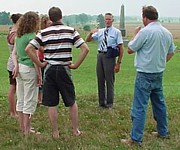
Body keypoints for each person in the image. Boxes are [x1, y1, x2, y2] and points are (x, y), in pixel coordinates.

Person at [25, 7, 89, 139]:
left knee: (52, 103)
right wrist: (75, 65)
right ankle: (75, 130)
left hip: (50, 69)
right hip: (65, 68)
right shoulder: (70, 31)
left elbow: (29, 49)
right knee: (71, 101)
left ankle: (55, 132)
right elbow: (85, 49)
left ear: (50, 18)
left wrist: (40, 63)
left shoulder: (43, 32)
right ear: (61, 16)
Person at [121, 5, 176, 146]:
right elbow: (171, 52)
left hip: (144, 74)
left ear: (145, 18)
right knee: (159, 104)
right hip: (158, 73)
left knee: (139, 106)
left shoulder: (144, 32)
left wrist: (135, 34)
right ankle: (163, 132)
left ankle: (135, 138)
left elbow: (130, 49)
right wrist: (161, 62)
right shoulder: (167, 33)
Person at [12, 11, 42, 135]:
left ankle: (22, 126)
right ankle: (27, 129)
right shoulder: (32, 37)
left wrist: (16, 66)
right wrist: (39, 73)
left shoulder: (18, 36)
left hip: (20, 68)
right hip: (29, 68)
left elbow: (14, 53)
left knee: (21, 98)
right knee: (29, 99)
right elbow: (35, 57)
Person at [86, 13, 124, 109]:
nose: (107, 21)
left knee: (109, 80)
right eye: (106, 19)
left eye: (109, 19)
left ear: (112, 20)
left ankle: (110, 103)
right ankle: (101, 102)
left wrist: (118, 63)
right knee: (100, 79)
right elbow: (88, 40)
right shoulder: (100, 31)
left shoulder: (116, 32)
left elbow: (121, 48)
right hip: (100, 55)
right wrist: (91, 32)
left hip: (109, 56)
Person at [6, 13, 22, 117]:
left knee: (14, 88)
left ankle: (14, 110)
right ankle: (13, 112)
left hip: (11, 63)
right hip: (14, 65)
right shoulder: (15, 34)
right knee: (13, 88)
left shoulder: (11, 31)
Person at [37, 15, 52, 105]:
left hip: (49, 59)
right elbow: (40, 48)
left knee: (48, 79)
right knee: (41, 78)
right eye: (48, 22)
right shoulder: (41, 33)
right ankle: (40, 99)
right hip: (42, 58)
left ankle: (46, 98)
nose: (50, 23)